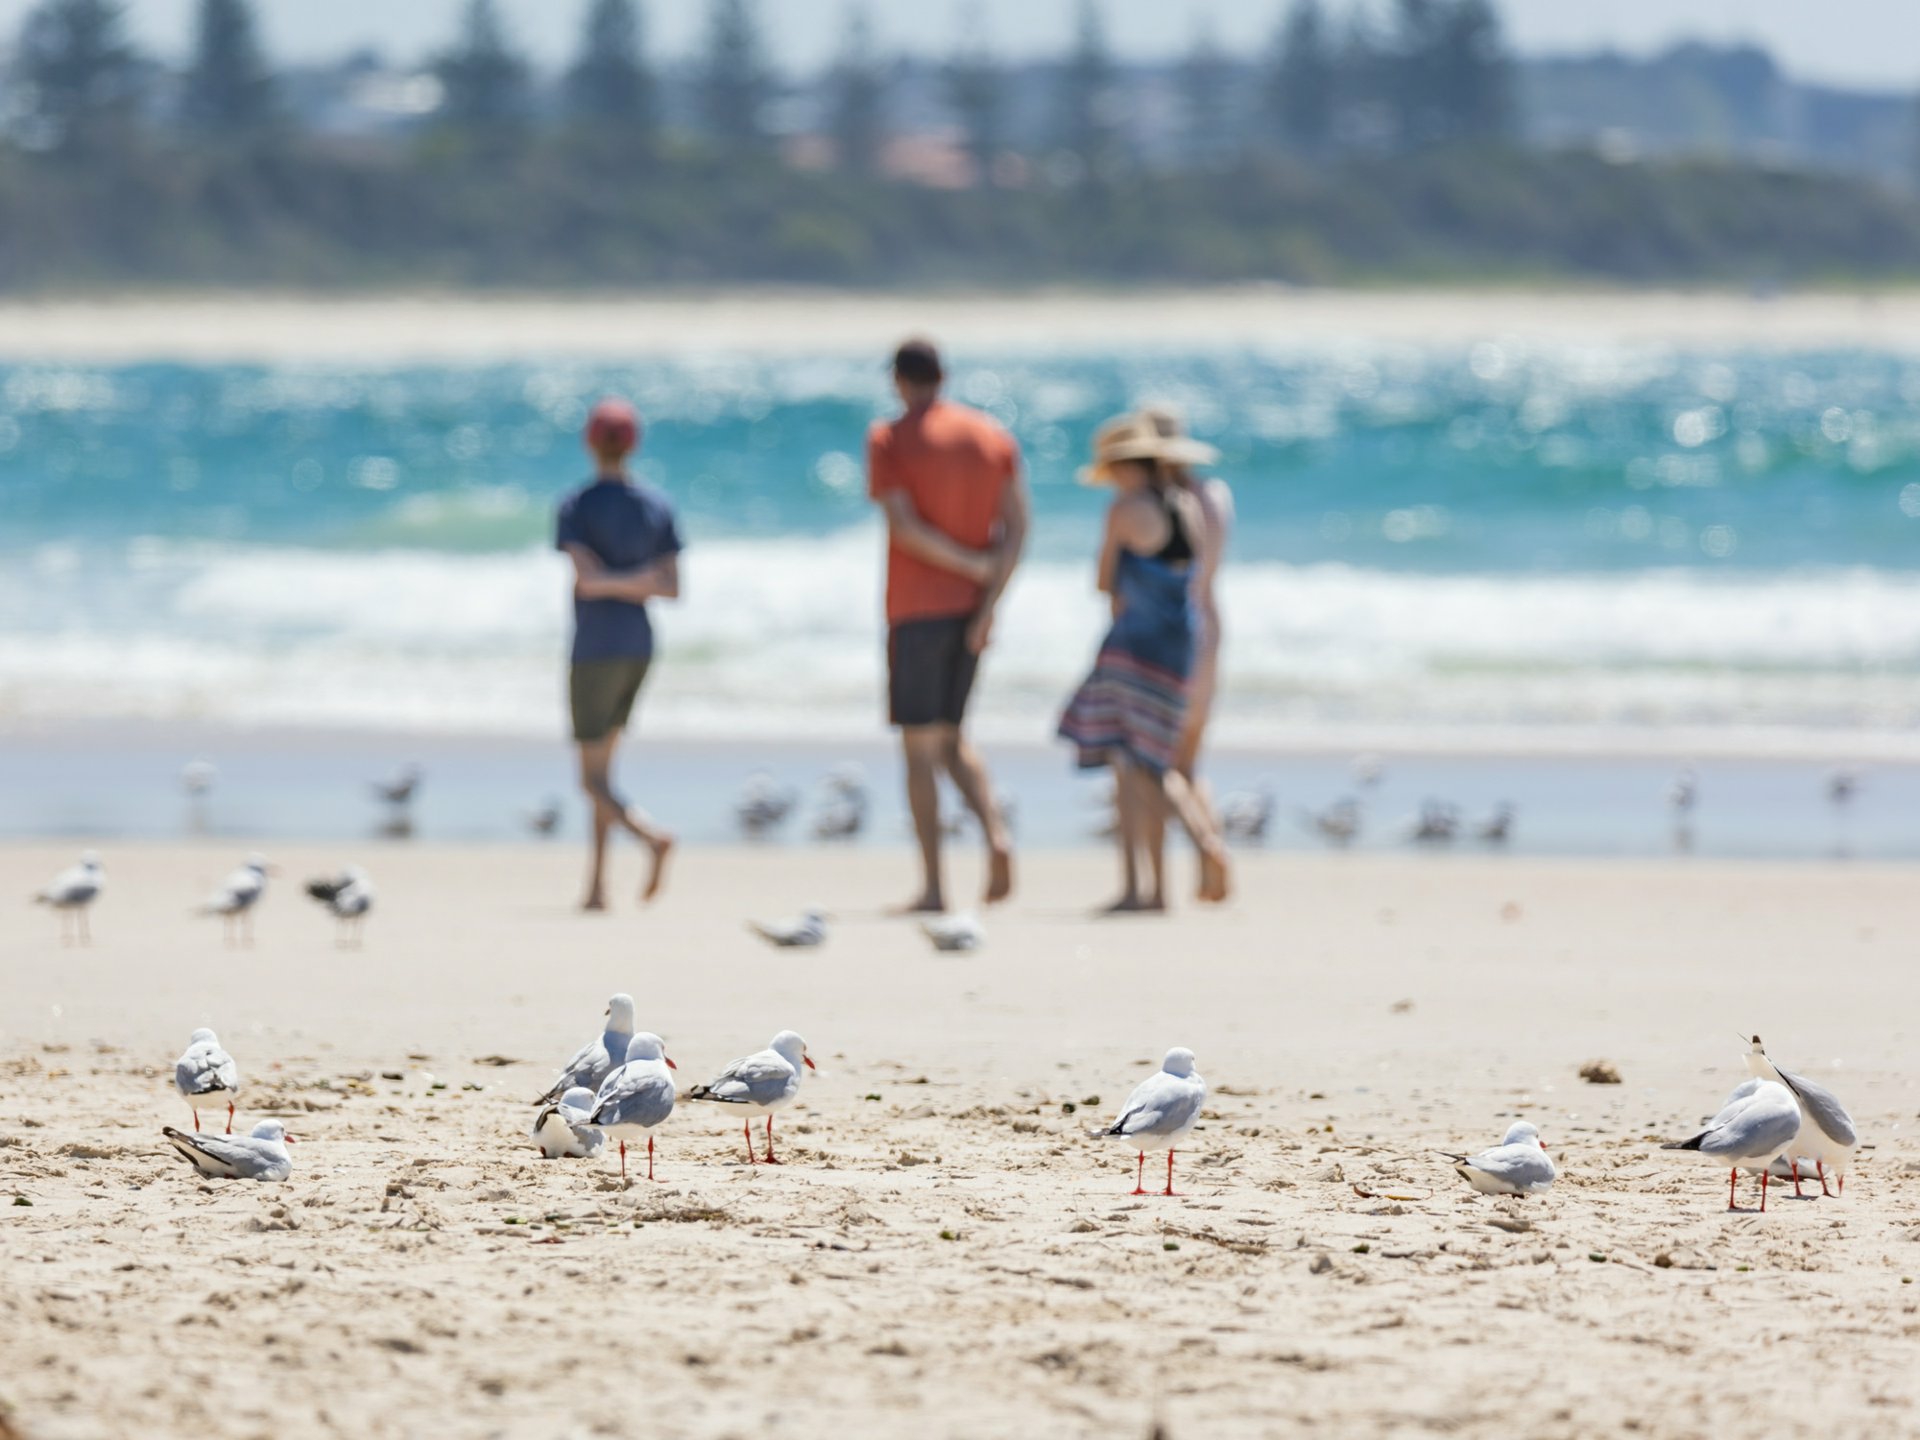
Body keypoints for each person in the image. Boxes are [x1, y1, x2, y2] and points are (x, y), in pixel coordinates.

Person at [867, 338, 1028, 913]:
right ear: (943, 376)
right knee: (953, 737)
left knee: (919, 751)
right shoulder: (992, 436)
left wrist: (970, 566)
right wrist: (989, 601)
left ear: (898, 381)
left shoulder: (888, 438)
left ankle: (935, 887)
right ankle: (996, 834)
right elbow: (1018, 528)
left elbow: (905, 529)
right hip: (971, 611)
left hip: (916, 610)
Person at [1058, 413, 1231, 912]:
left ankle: (1178, 858)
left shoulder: (1125, 509)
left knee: (1133, 763)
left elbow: (1103, 581)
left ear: (1125, 465)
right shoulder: (1186, 505)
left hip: (1135, 644)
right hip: (1181, 643)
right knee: (1155, 758)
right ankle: (1154, 891)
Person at [555, 398, 680, 911]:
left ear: (589, 442)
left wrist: (607, 581)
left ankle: (650, 837)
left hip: (594, 647)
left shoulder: (576, 506)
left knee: (591, 779)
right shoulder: (656, 505)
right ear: (634, 444)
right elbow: (668, 585)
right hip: (638, 645)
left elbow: (587, 581)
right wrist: (638, 581)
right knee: (605, 773)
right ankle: (596, 887)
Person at [1144, 406, 1235, 870]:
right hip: (1211, 625)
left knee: (1152, 761)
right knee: (1191, 762)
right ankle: (1212, 850)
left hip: (1171, 633)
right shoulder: (1216, 495)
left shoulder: (1163, 505)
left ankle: (1196, 854)